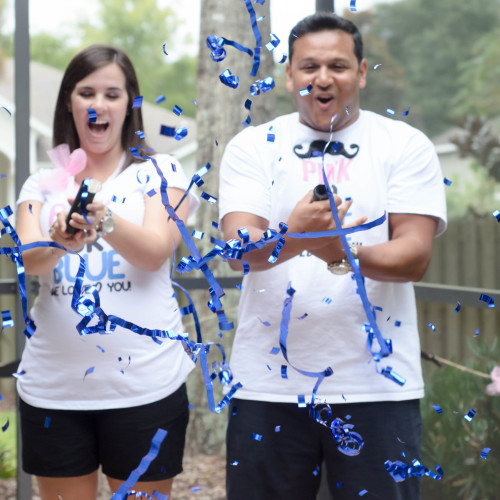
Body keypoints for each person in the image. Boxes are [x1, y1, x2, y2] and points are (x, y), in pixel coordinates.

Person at [219, 12, 447, 500]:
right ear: (289, 76)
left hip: (378, 389)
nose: (323, 78)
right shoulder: (253, 147)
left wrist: (342, 250)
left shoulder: (404, 145)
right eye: (309, 66)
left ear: (362, 73)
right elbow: (240, 249)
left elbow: (414, 255)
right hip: (267, 388)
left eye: (339, 66)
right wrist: (300, 236)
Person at [15, 44, 199, 499]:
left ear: (129, 104)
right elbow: (29, 258)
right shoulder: (40, 183)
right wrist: (58, 241)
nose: (98, 105)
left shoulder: (162, 171)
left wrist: (106, 220)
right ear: (69, 103)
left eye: (112, 94)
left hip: (145, 389)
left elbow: (156, 252)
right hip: (53, 391)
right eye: (86, 92)